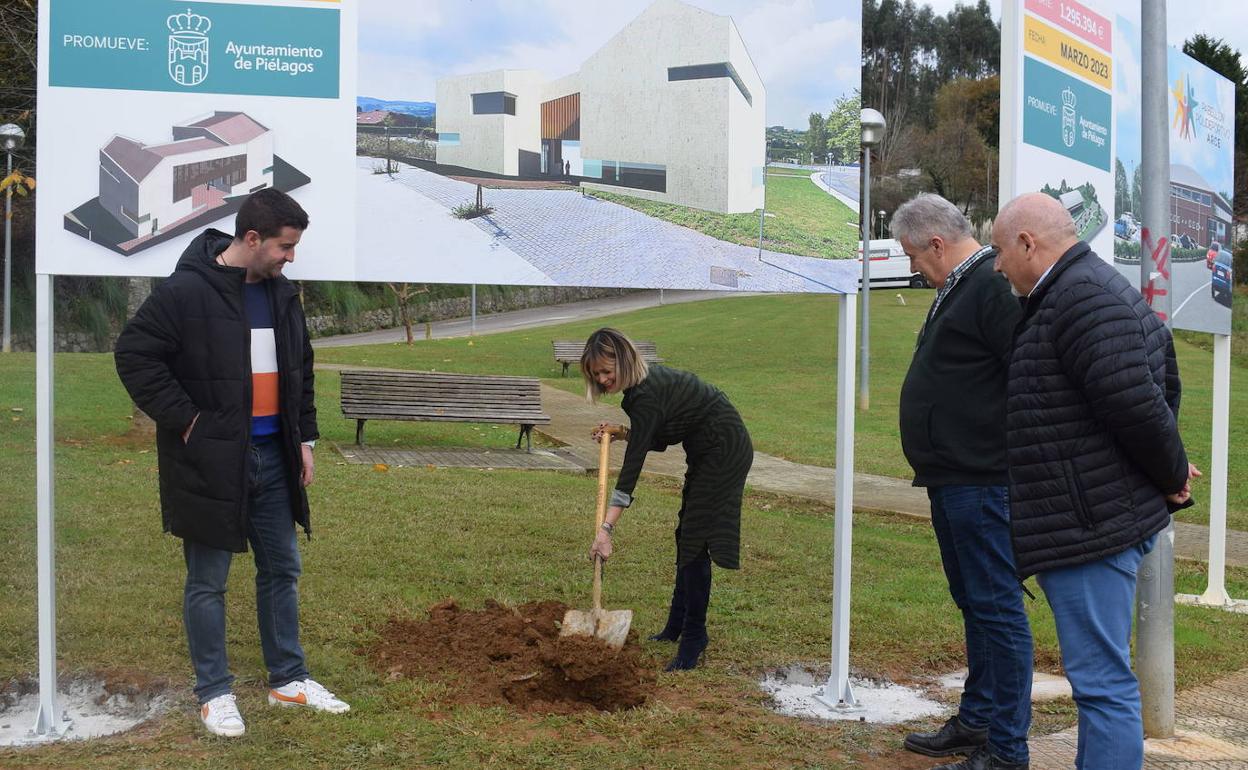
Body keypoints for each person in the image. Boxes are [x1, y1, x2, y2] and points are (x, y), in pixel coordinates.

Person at [115, 188, 349, 738]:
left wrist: (305, 440)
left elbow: (300, 369)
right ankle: (214, 693)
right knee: (208, 581)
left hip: (274, 455)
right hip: (211, 461)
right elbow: (134, 354)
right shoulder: (186, 291)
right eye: (285, 247)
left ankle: (288, 680)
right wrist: (187, 420)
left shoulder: (281, 294)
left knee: (283, 569)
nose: (290, 257)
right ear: (251, 239)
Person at [992, 192, 1199, 770]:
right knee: (1096, 683)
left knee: (1102, 684)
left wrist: (1172, 473)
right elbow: (1157, 386)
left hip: (1090, 525)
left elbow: (1137, 404)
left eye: (999, 251)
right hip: (1092, 516)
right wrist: (1167, 466)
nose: (997, 265)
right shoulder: (1077, 291)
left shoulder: (1081, 296)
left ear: (1028, 244)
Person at [893, 195, 1032, 770]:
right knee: (973, 601)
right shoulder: (960, 285)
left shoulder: (990, 286)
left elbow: (1026, 372)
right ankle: (977, 720)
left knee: (997, 608)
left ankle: (1006, 747)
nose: (912, 269)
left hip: (982, 477)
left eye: (914, 257)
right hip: (952, 476)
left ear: (937, 244)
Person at [581, 328, 753, 671]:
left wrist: (606, 528)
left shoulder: (646, 394)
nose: (602, 380)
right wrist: (623, 433)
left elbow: (632, 470)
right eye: (595, 374)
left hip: (724, 448)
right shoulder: (640, 392)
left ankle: (693, 638)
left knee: (696, 538)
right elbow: (657, 437)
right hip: (706, 450)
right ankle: (676, 625)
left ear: (625, 360)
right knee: (686, 536)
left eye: (605, 371)